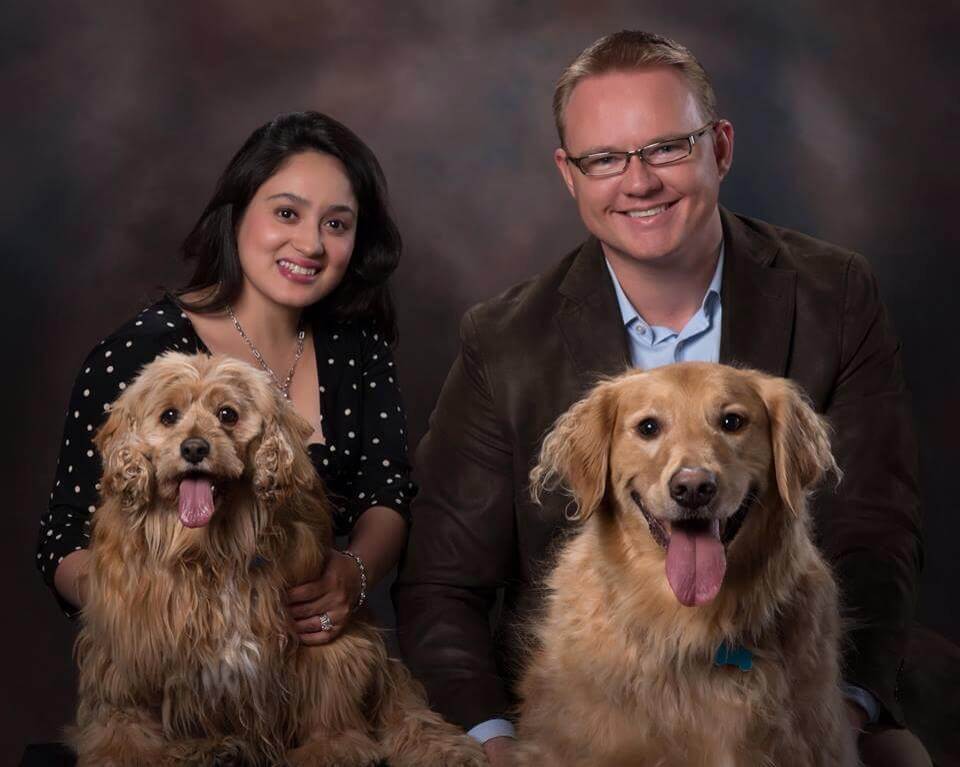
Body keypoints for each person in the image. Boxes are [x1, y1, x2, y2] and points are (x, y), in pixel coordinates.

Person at [393, 31, 930, 767]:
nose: (638, 181)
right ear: (569, 175)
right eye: (605, 158)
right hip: (593, 712)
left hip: (793, 679)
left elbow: (877, 532)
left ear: (721, 147)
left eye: (667, 148)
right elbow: (441, 585)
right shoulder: (505, 339)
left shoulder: (835, 294)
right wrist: (495, 742)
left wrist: (830, 709)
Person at [39, 110, 415, 648]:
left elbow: (388, 492)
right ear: (237, 213)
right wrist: (145, 610)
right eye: (287, 213)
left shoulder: (357, 347)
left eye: (336, 224)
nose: (310, 244)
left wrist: (352, 575)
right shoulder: (138, 355)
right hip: (174, 665)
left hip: (302, 655)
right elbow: (62, 538)